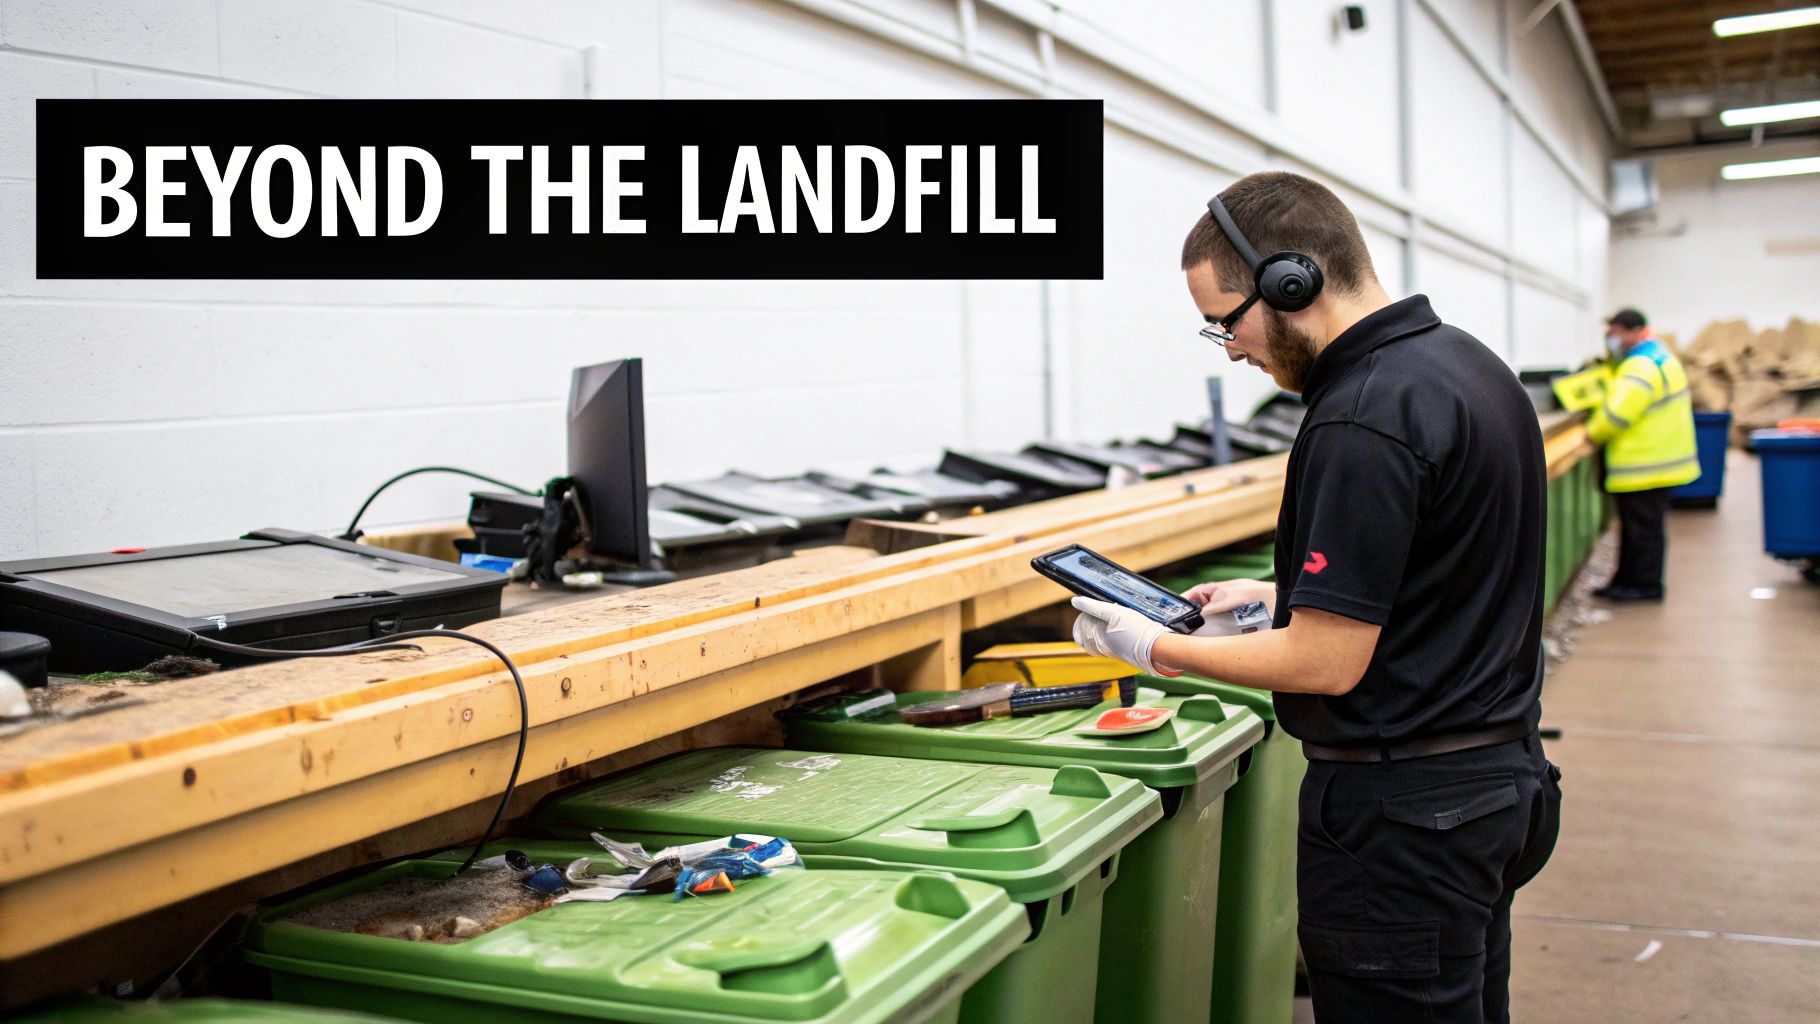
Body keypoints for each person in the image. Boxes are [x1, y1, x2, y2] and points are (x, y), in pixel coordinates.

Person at [1070, 171, 1561, 1024]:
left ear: (1291, 282)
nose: (1229, 348)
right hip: (1498, 788)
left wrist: (1154, 647)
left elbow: (1327, 665)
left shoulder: (1362, 417)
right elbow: (1450, 564)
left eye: (1228, 320)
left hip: (1404, 819)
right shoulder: (1470, 368)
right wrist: (1279, 596)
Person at [1586, 308, 1699, 602]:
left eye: (1614, 333)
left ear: (1633, 331)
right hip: (1656, 462)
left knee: (1642, 532)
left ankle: (1644, 586)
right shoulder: (1659, 355)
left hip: (1645, 466)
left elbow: (1616, 414)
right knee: (1641, 530)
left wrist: (1592, 433)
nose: (1611, 339)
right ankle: (1626, 581)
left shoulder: (1641, 365)